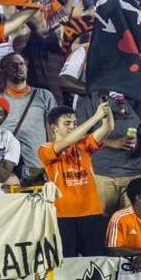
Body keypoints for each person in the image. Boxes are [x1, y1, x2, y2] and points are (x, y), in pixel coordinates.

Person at [40, 103, 114, 257]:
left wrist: (107, 113)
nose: (72, 127)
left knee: (96, 260)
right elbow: (67, 141)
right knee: (67, 263)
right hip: (63, 216)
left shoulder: (83, 145)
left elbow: (108, 129)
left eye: (75, 123)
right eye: (67, 123)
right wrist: (95, 117)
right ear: (54, 128)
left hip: (92, 212)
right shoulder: (45, 149)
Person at [76, 90, 141, 217]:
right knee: (101, 224)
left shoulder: (137, 97)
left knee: (134, 223)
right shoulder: (90, 99)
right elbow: (79, 134)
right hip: (102, 174)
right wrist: (111, 142)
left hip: (134, 174)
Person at [0, 53, 57, 185]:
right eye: (13, 65)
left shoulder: (44, 96)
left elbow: (53, 133)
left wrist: (52, 164)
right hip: (6, 170)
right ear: (4, 71)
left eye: (22, 64)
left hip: (38, 168)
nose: (19, 68)